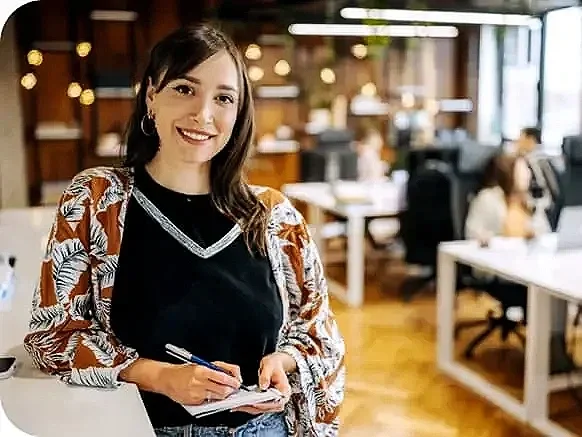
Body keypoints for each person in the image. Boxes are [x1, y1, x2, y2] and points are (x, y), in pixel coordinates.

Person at [23, 24, 345, 437]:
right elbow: (53, 336)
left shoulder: (275, 217)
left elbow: (319, 335)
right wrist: (160, 376)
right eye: (184, 89)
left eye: (223, 98)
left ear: (238, 113)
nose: (203, 114)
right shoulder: (96, 198)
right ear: (152, 95)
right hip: (142, 428)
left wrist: (282, 364)